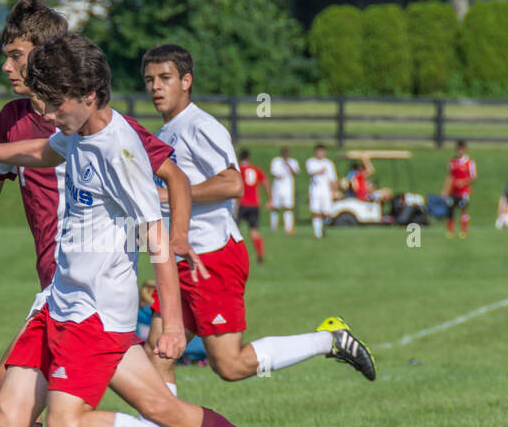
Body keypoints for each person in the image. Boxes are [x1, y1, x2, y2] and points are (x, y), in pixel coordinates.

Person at [0, 34, 330, 427]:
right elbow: (42, 151)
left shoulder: (121, 153)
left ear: (88, 94)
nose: (48, 114)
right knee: (13, 415)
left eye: (55, 103)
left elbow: (157, 238)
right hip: (62, 299)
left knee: (66, 425)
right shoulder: (76, 131)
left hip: (97, 311)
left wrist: (170, 320)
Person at [140, 43, 375, 397]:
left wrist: (171, 194)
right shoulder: (164, 133)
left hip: (212, 258)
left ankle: (330, 340)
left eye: (165, 78)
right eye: (149, 80)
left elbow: (232, 183)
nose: (156, 86)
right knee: (157, 354)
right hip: (181, 261)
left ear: (186, 81)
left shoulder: (199, 126)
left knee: (229, 365)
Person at [236, 148, 268, 262]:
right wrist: (270, 199)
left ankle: (236, 256)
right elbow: (265, 181)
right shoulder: (255, 169)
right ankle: (260, 255)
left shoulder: (239, 169)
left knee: (235, 230)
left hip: (242, 204)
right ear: (249, 158)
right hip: (254, 204)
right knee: (254, 231)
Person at [442, 139, 476, 238]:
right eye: (458, 149)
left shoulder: (469, 162)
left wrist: (463, 182)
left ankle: (463, 230)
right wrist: (445, 190)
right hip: (453, 191)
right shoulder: (452, 161)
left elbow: (473, 177)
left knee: (463, 209)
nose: (459, 151)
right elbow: (449, 176)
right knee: (450, 209)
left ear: (465, 150)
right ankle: (450, 231)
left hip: (463, 192)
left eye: (461, 149)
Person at [306, 144, 338, 238]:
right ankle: (317, 233)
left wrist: (335, 190)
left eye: (322, 151)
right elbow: (310, 172)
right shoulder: (311, 162)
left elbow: (332, 179)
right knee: (316, 211)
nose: (320, 153)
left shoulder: (329, 163)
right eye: (318, 151)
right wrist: (320, 171)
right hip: (315, 189)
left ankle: (323, 227)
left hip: (326, 190)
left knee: (327, 212)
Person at [269, 146, 300, 234]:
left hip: (288, 188)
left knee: (288, 207)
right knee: (275, 207)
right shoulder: (276, 161)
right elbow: (274, 173)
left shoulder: (293, 162)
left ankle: (288, 227)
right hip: (277, 187)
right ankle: (273, 227)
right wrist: (279, 175)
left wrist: (288, 165)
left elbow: (295, 173)